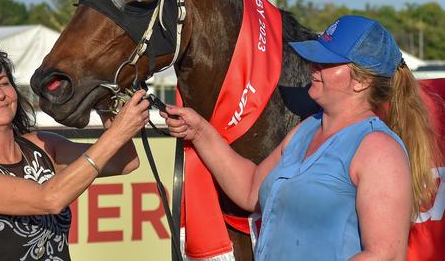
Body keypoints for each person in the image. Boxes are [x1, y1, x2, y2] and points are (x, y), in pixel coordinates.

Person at [161, 15, 442, 260]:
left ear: (361, 81)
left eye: (326, 62)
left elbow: (385, 256)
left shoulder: (379, 150)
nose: (313, 67)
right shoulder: (307, 129)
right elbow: (250, 191)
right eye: (315, 59)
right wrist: (199, 131)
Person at [0, 43, 149, 261]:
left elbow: (124, 161)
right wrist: (117, 132)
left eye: (4, 83)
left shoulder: (42, 144)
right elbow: (50, 199)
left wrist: (105, 99)